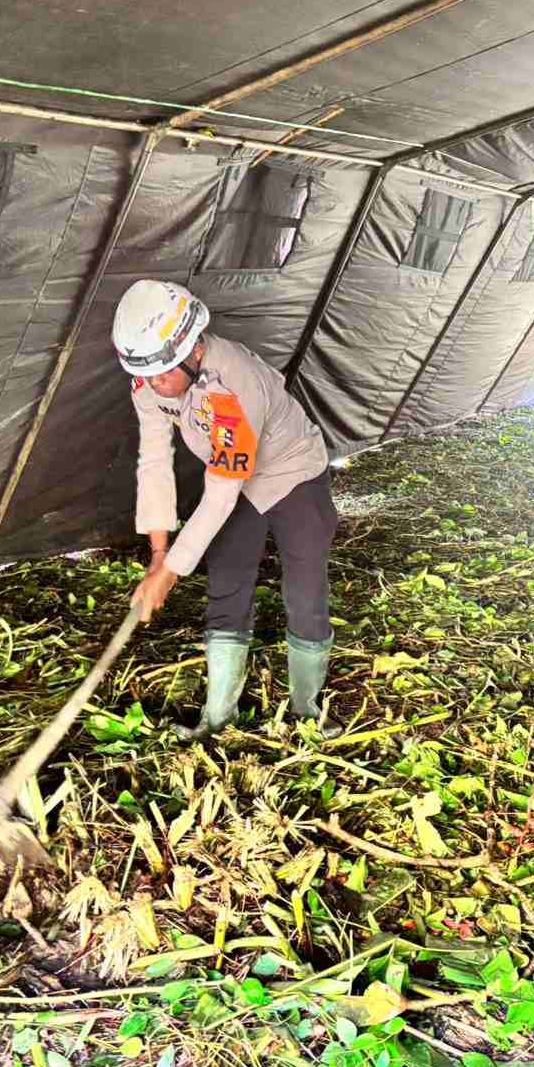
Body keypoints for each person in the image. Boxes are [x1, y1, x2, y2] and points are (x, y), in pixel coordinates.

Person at [112, 279, 343, 739]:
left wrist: (171, 573)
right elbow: (154, 462)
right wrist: (158, 555)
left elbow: (220, 493)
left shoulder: (233, 383)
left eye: (163, 372)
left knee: (304, 591)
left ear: (194, 349)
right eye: (147, 373)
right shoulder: (151, 382)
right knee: (226, 583)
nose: (156, 383)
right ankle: (218, 719)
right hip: (236, 478)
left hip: (291, 472)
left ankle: (306, 713)